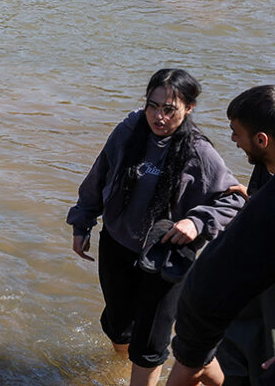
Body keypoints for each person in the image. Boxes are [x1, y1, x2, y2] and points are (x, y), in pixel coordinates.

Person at [66, 69, 245, 386]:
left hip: (165, 259)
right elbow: (100, 173)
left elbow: (235, 199)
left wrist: (196, 222)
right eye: (152, 105)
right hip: (117, 247)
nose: (158, 117)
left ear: (189, 108)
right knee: (118, 326)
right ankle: (133, 369)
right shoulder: (129, 129)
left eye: (169, 109)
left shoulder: (198, 151)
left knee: (149, 345)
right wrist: (82, 222)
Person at [167, 86, 275, 386]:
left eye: (236, 133)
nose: (232, 140)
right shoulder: (265, 168)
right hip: (243, 308)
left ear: (262, 140)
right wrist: (253, 200)